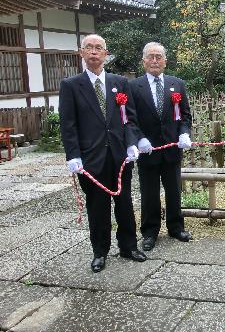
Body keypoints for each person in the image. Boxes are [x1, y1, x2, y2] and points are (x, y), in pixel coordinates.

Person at [60, 34, 146, 273]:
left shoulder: (120, 82)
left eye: (99, 48)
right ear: (82, 53)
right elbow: (68, 125)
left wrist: (132, 143)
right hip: (90, 158)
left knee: (125, 203)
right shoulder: (71, 85)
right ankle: (100, 251)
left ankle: (128, 246)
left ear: (106, 54)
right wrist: (73, 155)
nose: (94, 52)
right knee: (97, 207)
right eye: (89, 48)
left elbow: (129, 119)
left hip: (120, 156)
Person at [129, 42, 193, 252]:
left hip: (172, 148)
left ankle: (176, 227)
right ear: (144, 61)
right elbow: (129, 118)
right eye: (151, 57)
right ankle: (149, 232)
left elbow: (185, 115)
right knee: (149, 193)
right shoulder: (133, 86)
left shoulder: (177, 84)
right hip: (148, 150)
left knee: (174, 191)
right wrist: (139, 139)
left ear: (165, 61)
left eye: (159, 57)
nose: (155, 60)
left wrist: (184, 132)